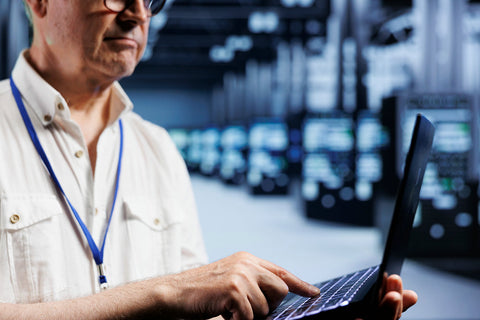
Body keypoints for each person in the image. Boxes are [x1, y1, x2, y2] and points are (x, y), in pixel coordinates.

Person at [0, 0, 418, 319]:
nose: (137, 14)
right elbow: (178, 292)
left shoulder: (158, 149)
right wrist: (164, 292)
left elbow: (196, 310)